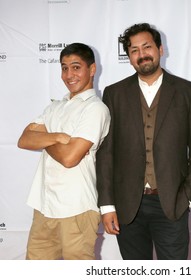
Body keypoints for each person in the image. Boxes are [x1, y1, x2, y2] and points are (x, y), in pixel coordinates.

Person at [96, 23, 191, 260]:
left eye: (146, 47)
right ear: (129, 57)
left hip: (172, 204)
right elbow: (106, 154)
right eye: (134, 50)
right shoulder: (114, 93)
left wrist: (187, 198)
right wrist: (107, 205)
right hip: (127, 207)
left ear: (160, 48)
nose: (141, 54)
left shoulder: (187, 91)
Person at [17, 43, 110, 260]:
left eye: (76, 67)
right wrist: (57, 137)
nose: (69, 74)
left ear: (92, 69)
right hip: (43, 206)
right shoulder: (54, 107)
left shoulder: (95, 108)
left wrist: (43, 139)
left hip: (76, 208)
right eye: (64, 68)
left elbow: (69, 158)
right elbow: (24, 140)